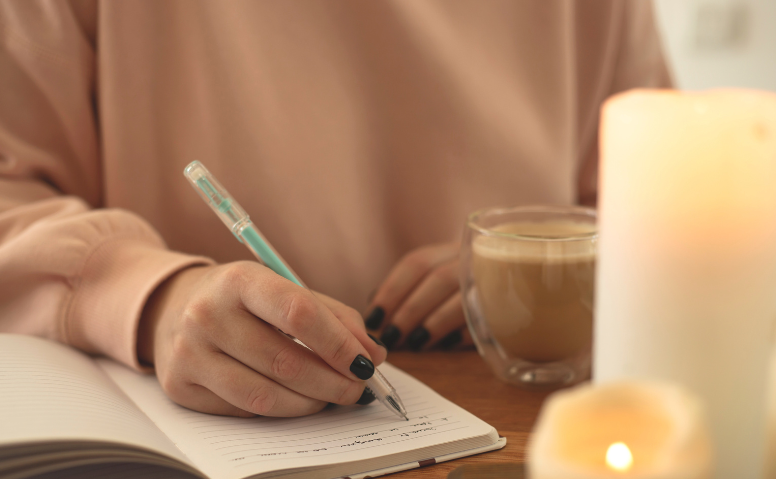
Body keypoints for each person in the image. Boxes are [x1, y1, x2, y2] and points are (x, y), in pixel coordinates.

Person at [0, 0, 671, 417]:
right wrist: (152, 298)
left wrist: (537, 264)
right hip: (195, 440)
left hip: (531, 414)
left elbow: (670, 198)